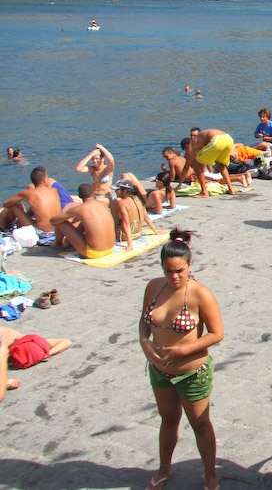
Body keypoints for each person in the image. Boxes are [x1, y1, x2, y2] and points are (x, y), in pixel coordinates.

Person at [139, 229, 223, 490]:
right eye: (168, 271)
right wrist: (145, 342)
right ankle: (164, 468)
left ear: (189, 265)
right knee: (168, 420)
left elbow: (217, 333)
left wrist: (182, 351)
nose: (174, 277)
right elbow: (144, 321)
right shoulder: (154, 287)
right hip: (160, 370)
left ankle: (210, 476)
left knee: (200, 425)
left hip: (192, 372)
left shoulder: (200, 294)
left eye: (179, 271)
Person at [50, 184, 116, 259]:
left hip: (94, 252)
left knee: (60, 222)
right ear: (93, 193)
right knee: (85, 221)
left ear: (79, 196)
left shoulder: (80, 209)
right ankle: (67, 242)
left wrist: (70, 217)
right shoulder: (103, 204)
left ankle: (58, 244)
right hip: (110, 248)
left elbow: (53, 221)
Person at [0, 167, 62, 242]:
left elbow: (6, 204)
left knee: (14, 206)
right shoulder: (54, 190)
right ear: (44, 180)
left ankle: (7, 228)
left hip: (41, 232)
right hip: (57, 230)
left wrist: (19, 206)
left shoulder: (27, 193)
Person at [182, 129, 236, 197]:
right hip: (228, 138)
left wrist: (179, 184)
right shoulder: (204, 138)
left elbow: (186, 166)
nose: (193, 137)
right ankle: (231, 189)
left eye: (194, 135)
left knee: (198, 166)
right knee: (220, 165)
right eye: (191, 135)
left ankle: (204, 192)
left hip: (217, 139)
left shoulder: (192, 143)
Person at [111, 178, 160, 251]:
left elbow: (126, 223)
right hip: (138, 233)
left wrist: (130, 244)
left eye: (117, 190)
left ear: (124, 191)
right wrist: (155, 231)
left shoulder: (122, 203)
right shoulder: (138, 198)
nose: (115, 192)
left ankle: (112, 231)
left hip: (125, 236)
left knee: (114, 202)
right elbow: (146, 217)